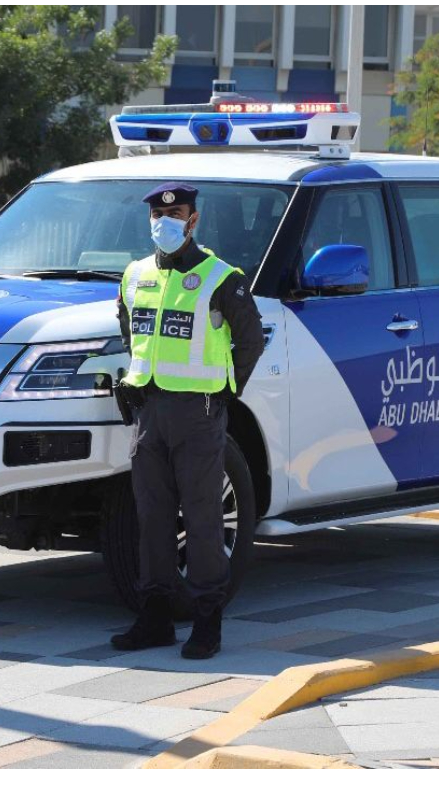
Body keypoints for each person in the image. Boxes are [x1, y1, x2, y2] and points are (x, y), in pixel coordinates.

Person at [110, 182, 265, 659]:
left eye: (174, 213)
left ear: (193, 220)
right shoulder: (135, 274)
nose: (164, 222)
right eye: (158, 214)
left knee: (202, 518)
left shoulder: (223, 277)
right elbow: (128, 329)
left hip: (198, 412)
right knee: (152, 517)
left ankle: (207, 621)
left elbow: (250, 342)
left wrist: (223, 392)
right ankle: (155, 615)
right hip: (149, 412)